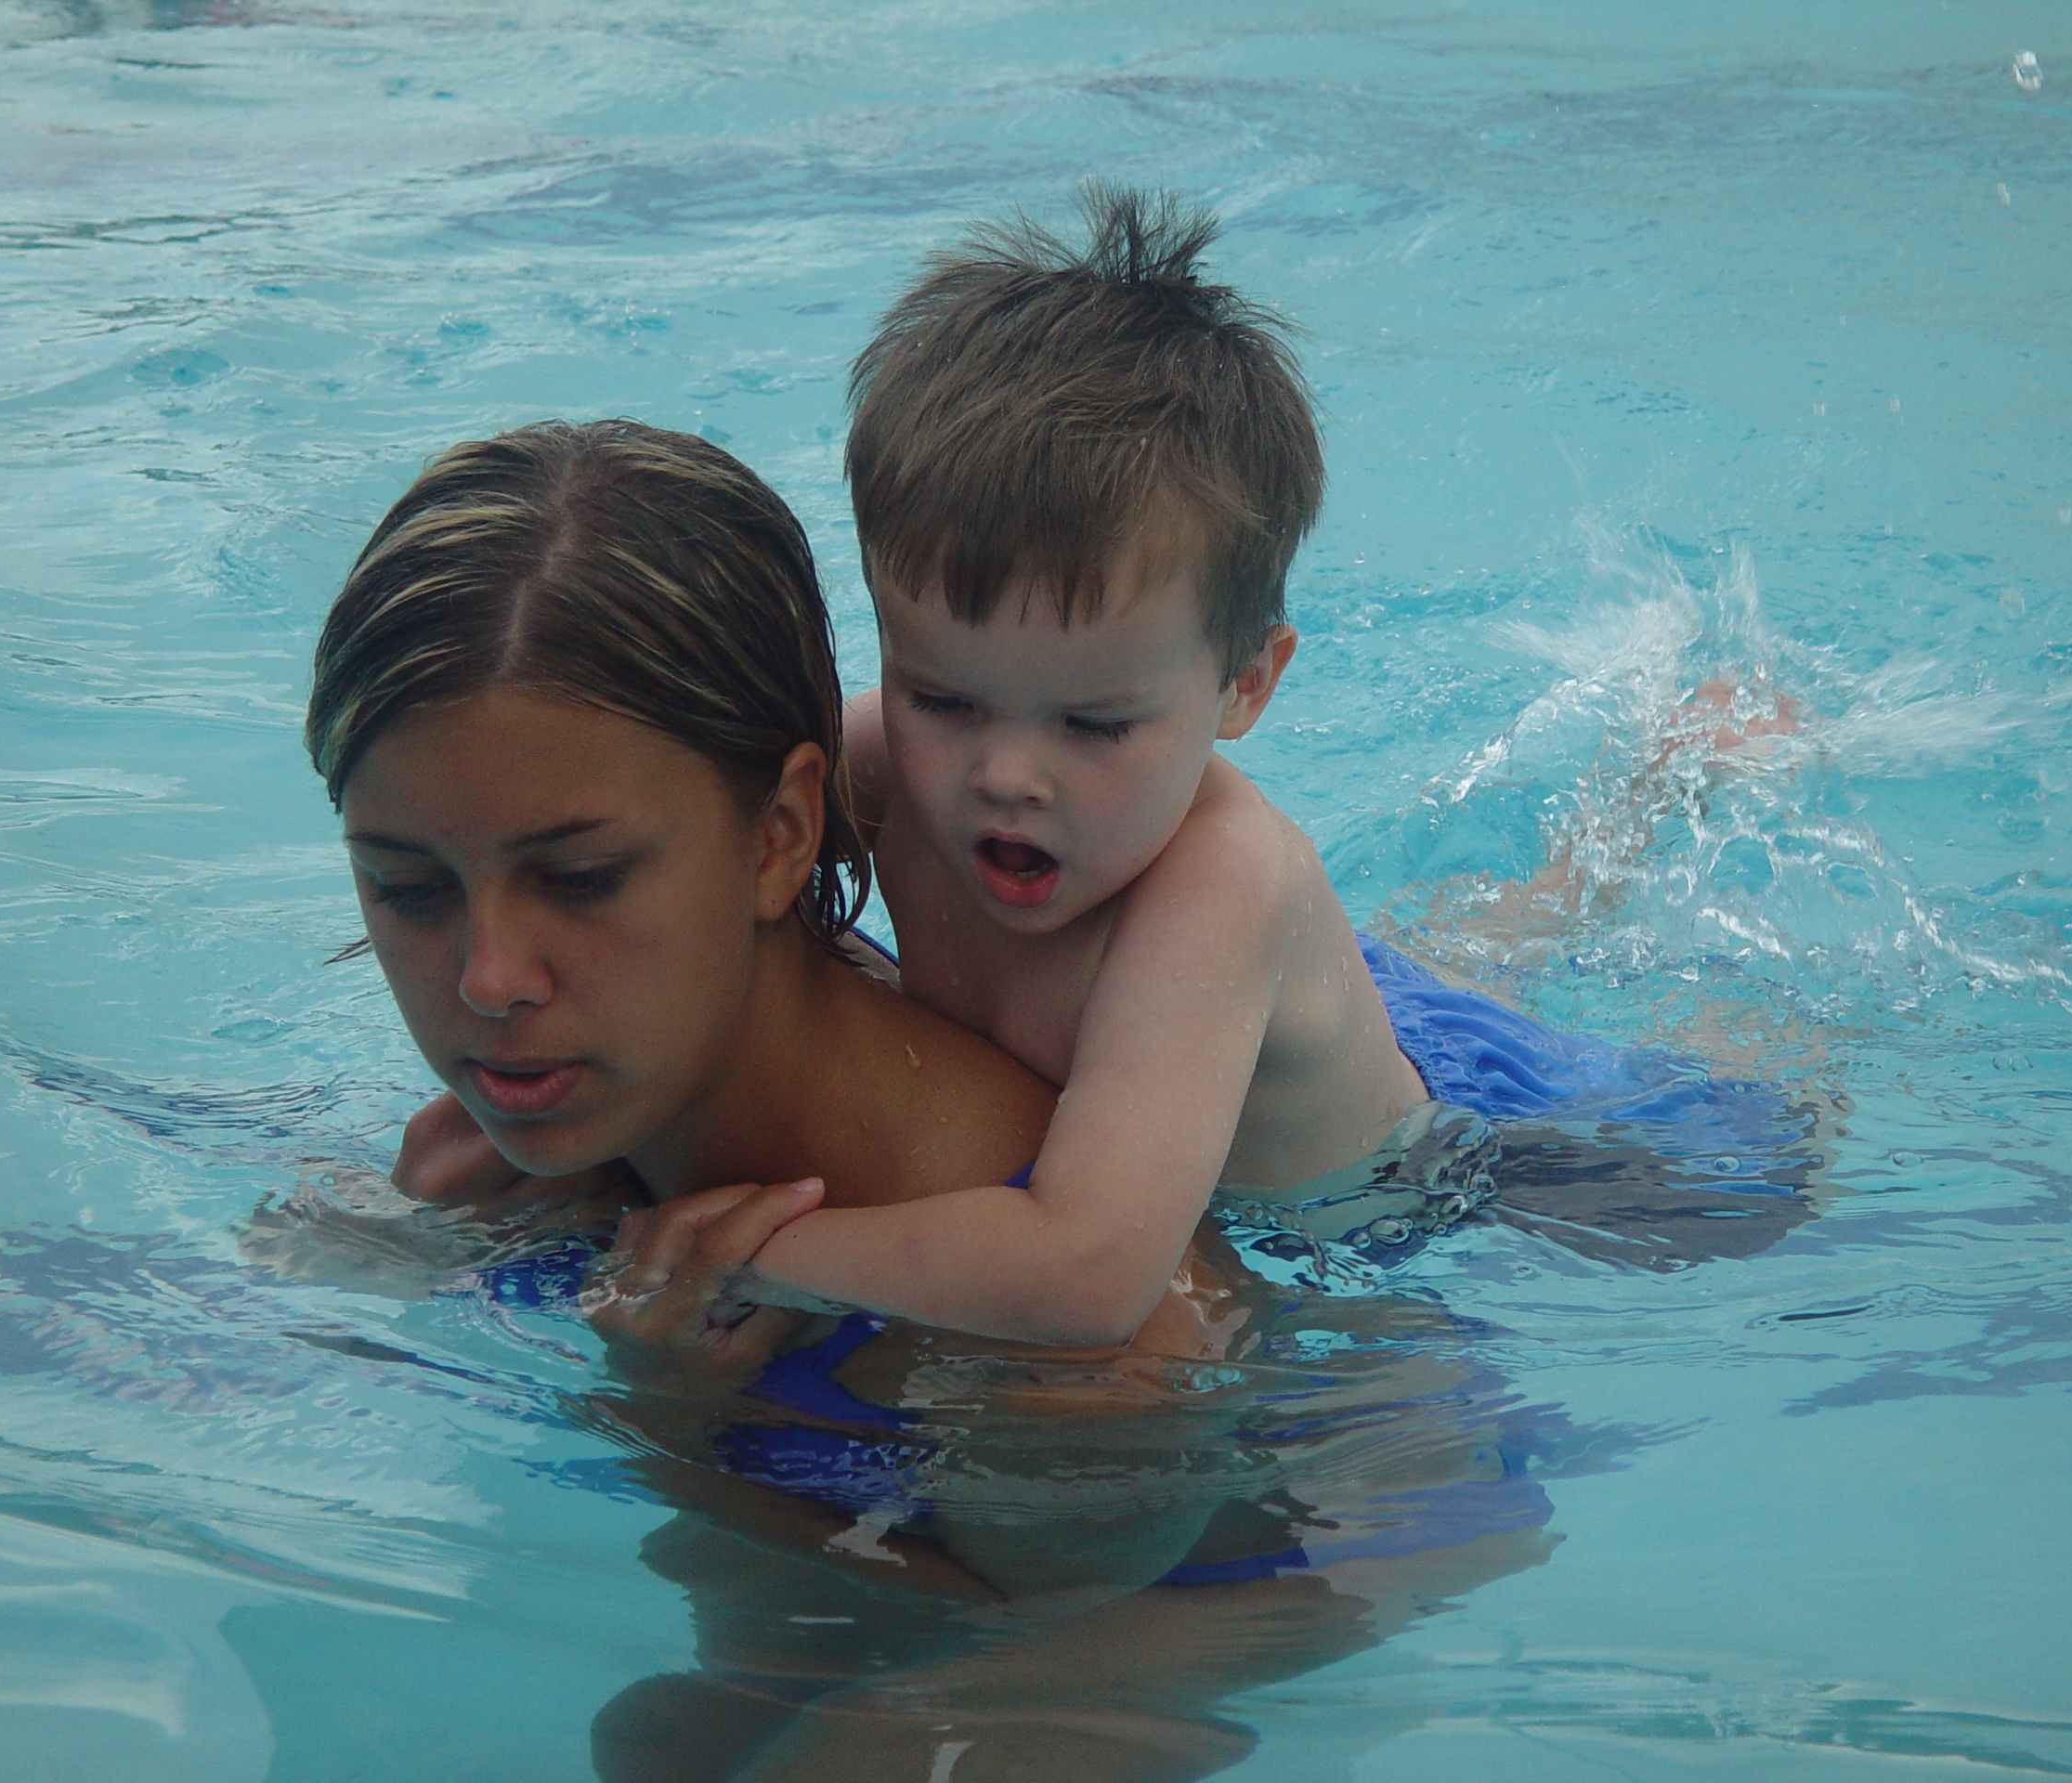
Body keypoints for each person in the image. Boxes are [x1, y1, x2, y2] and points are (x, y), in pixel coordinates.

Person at [304, 417, 1561, 1778]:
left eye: (583, 880)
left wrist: (669, 1414)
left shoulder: (1071, 1338)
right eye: (409, 889)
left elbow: (1001, 1623)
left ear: (781, 837)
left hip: (1342, 1512)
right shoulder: (595, 1111)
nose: (487, 982)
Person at [396, 187, 1804, 1347]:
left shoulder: (1220, 890)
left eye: (1094, 726)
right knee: (1454, 941)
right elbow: (683, 888)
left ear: (1244, 685)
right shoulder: (886, 768)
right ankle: (1641, 800)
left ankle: (1692, 847)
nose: (1007, 776)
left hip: (1424, 1173)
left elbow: (1088, 1277)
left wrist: (763, 1246)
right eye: (945, 694)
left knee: (1753, 1170)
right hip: (1295, 1022)